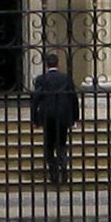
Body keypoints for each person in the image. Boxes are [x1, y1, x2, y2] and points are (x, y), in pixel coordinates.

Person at [28, 49, 80, 185]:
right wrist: (75, 117)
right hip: (63, 116)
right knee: (61, 143)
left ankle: (53, 173)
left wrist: (34, 119)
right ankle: (63, 166)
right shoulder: (66, 78)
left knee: (49, 145)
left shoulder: (41, 79)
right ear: (58, 63)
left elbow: (35, 100)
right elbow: (73, 98)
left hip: (48, 116)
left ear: (46, 65)